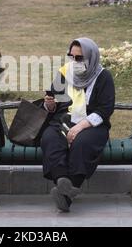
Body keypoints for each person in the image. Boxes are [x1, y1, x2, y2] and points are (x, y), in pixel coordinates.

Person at [41, 38, 115, 212]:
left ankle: (68, 190)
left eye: (79, 58)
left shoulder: (103, 77)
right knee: (50, 137)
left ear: (91, 57)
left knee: (82, 143)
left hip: (92, 124)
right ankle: (62, 182)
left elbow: (105, 109)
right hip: (63, 120)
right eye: (71, 56)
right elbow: (56, 102)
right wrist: (49, 105)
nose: (74, 61)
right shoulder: (65, 73)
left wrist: (80, 126)